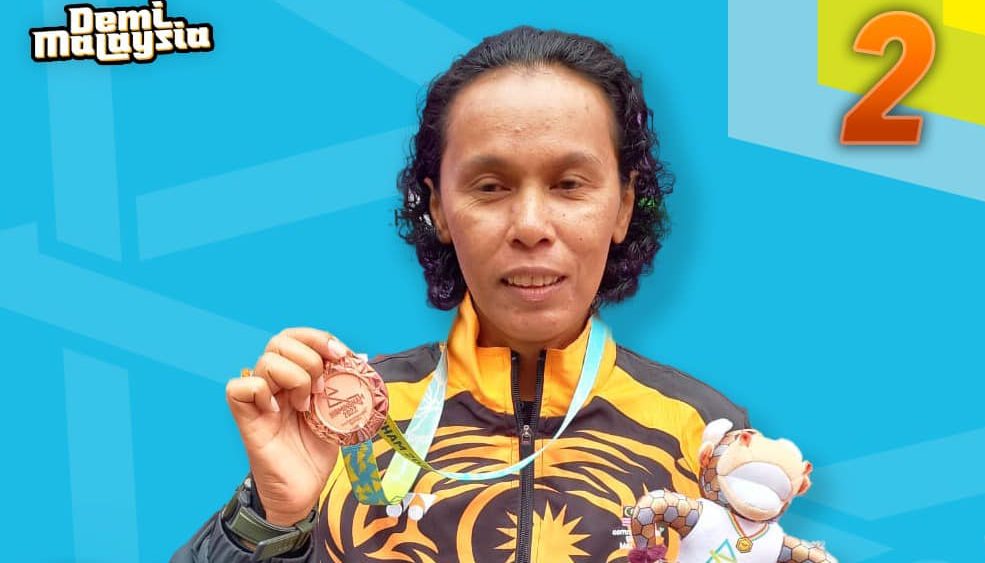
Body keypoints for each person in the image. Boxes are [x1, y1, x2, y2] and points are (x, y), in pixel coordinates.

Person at [172, 25, 748, 563]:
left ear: (622, 205)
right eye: (490, 186)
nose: (530, 225)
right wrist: (274, 520)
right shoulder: (342, 422)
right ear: (440, 208)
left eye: (569, 184)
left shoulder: (706, 436)